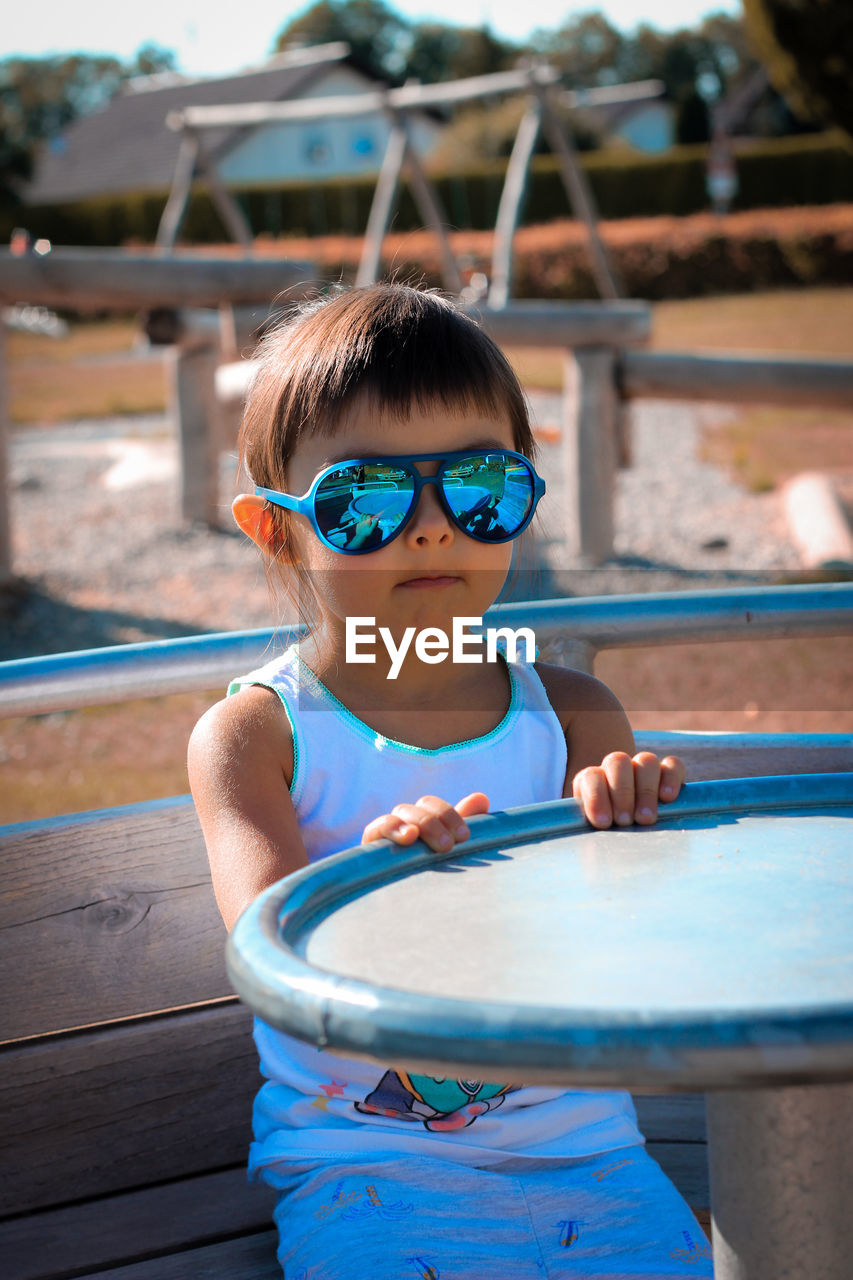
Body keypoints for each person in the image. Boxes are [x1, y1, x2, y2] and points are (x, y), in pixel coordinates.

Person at [188, 284, 712, 1278]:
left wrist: (641, 843)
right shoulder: (255, 735)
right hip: (367, 1164)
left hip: (590, 1155)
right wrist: (369, 887)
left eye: (476, 487)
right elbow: (267, 944)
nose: (431, 528)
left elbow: (634, 960)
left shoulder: (574, 714)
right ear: (274, 527)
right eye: (367, 499)